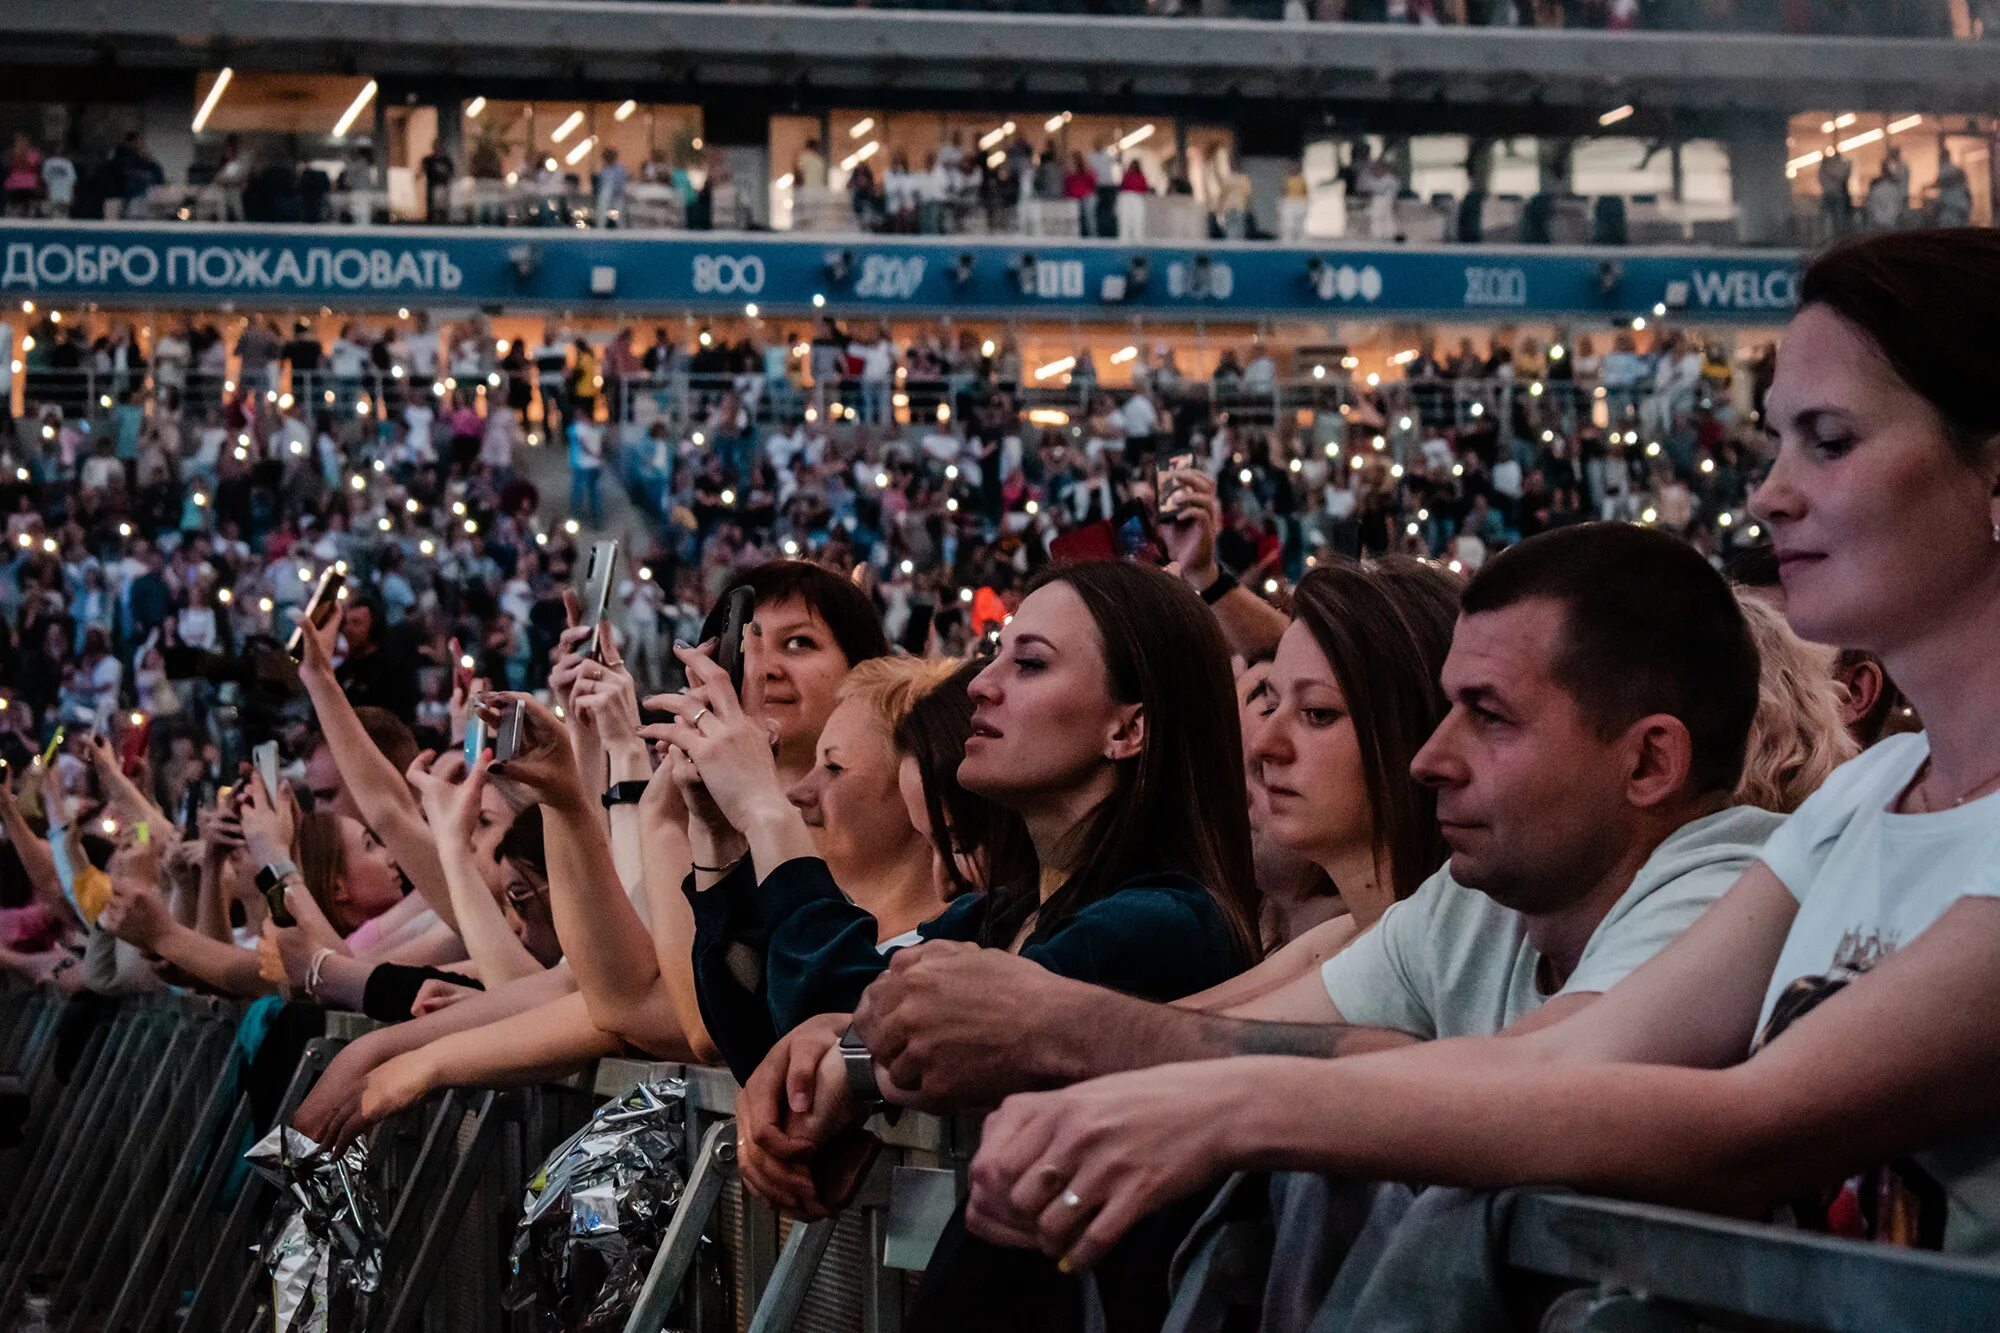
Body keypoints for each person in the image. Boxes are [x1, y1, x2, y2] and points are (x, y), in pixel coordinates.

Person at [963, 231, 2000, 1301]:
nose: (1770, 492)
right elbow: (1571, 1057)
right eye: (1775, 440)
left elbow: (1749, 1121)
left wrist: (1225, 1107)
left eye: (1826, 441)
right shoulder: (1861, 797)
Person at [678, 561, 1255, 1333]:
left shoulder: (1163, 922)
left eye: (1031, 662)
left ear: (1128, 727)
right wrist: (715, 835)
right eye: (996, 653)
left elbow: (864, 1012)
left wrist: (765, 812)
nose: (981, 684)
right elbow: (781, 1019)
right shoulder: (998, 916)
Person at [420, 138, 454, 223]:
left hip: (443, 187)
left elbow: (452, 173)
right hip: (432, 187)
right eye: (436, 145)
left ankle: (443, 222)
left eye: (439, 146)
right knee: (432, 209)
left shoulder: (447, 160)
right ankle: (431, 222)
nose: (438, 148)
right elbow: (421, 171)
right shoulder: (428, 160)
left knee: (443, 209)